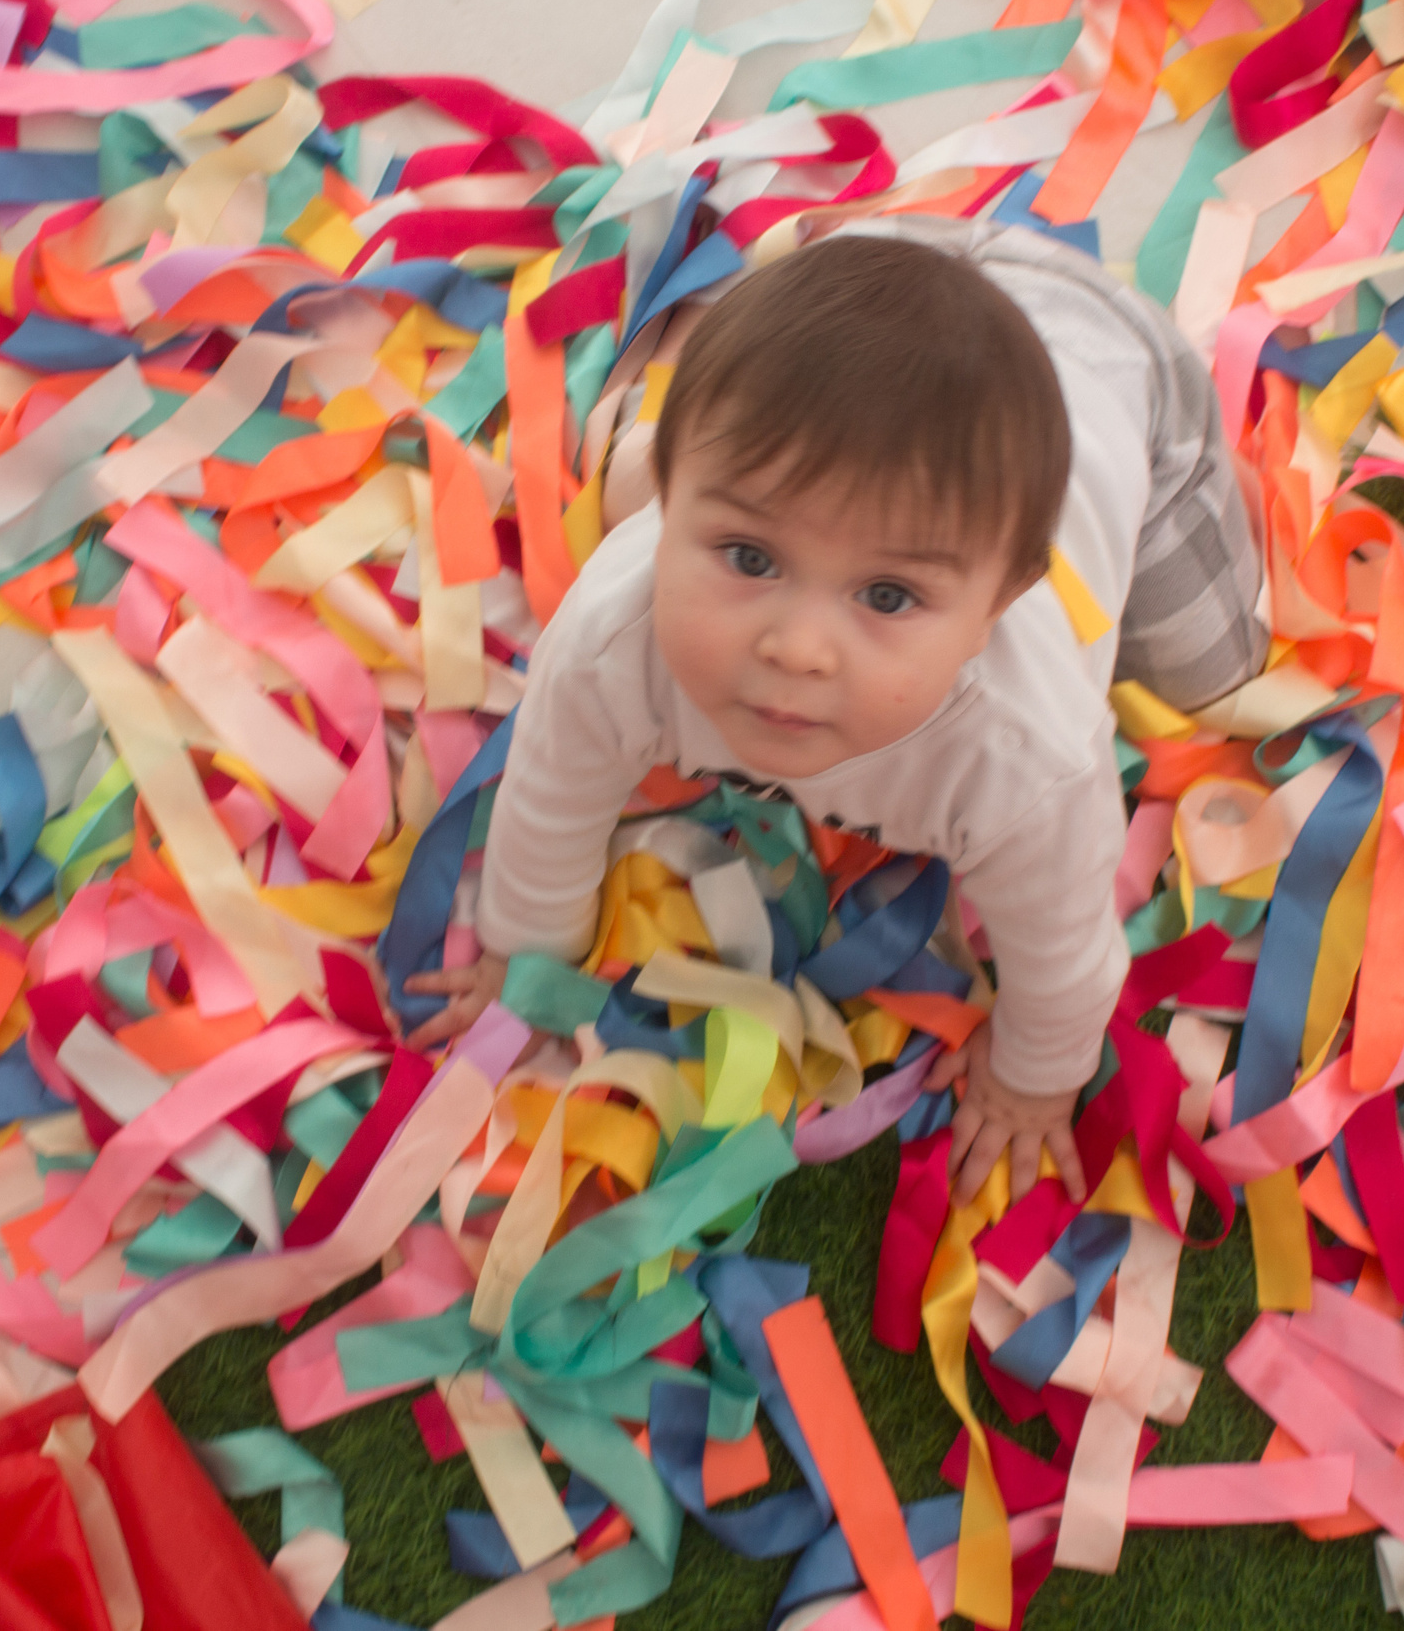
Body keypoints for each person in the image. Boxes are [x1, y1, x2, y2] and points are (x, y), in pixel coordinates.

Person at [404, 216, 1267, 1207]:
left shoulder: (1026, 756)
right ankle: (658, 461)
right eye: (750, 558)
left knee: (1214, 671)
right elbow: (550, 802)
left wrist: (1035, 1078)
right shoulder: (615, 636)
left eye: (888, 597)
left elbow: (1065, 952)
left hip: (1101, 357)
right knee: (666, 491)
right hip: (879, 271)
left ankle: (686, 476)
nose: (795, 649)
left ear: (998, 603)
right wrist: (524, 957)